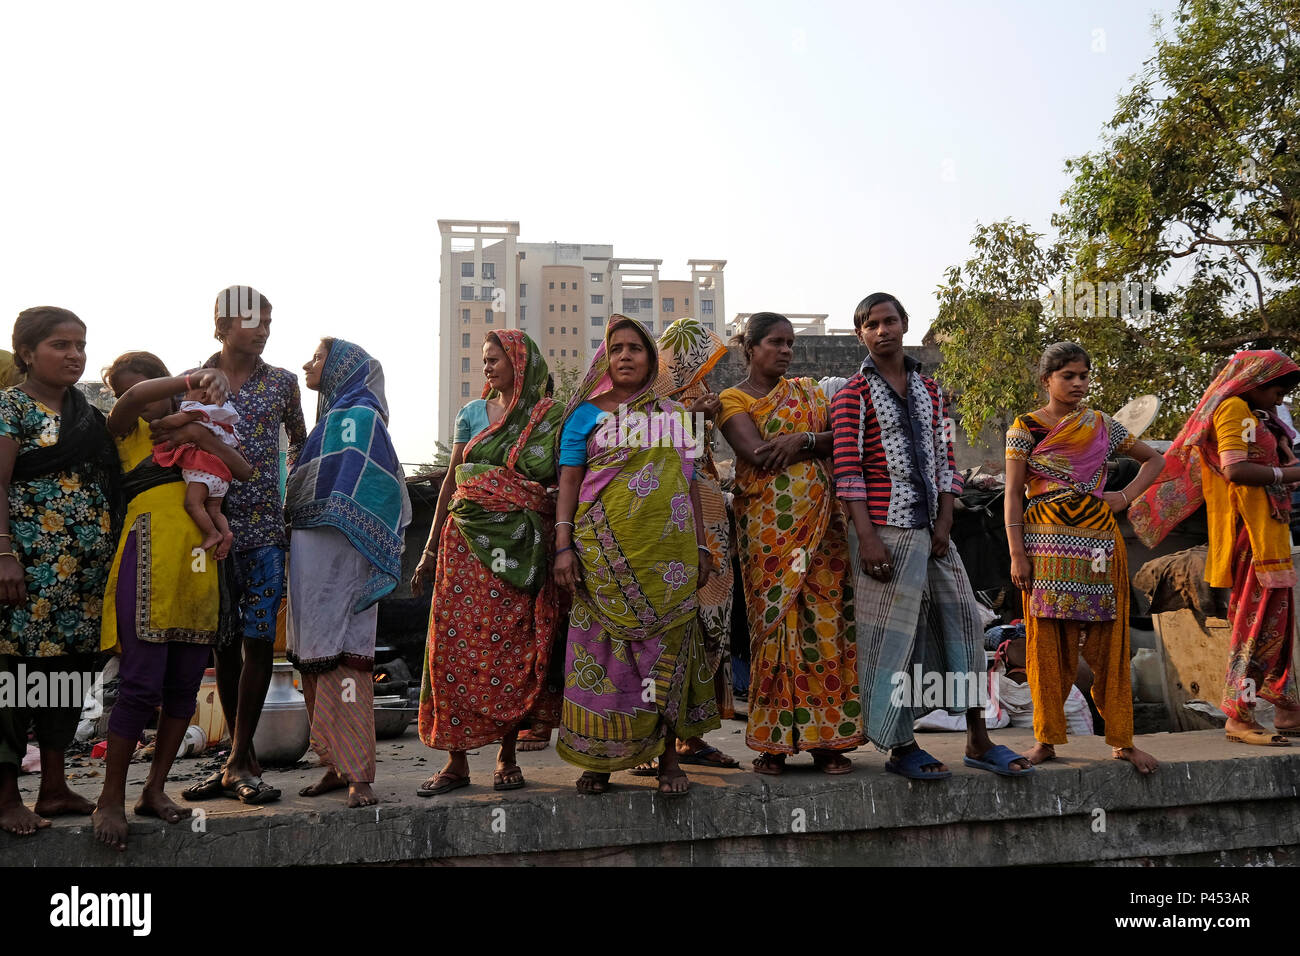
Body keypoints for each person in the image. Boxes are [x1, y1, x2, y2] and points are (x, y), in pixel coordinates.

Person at [831, 294, 1030, 780]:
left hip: (935, 533)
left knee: (962, 626)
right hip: (883, 531)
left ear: (905, 325)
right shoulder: (851, 395)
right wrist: (868, 538)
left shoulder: (932, 391)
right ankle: (901, 746)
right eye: (872, 324)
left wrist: (944, 523)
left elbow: (946, 461)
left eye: (890, 321)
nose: (883, 331)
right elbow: (848, 472)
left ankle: (978, 741)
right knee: (892, 643)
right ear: (860, 334)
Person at [553, 315, 720, 796]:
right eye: (616, 348)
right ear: (605, 359)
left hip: (668, 559)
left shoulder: (674, 416)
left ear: (651, 358)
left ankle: (669, 760)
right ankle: (598, 760)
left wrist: (703, 543)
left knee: (664, 653)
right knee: (602, 657)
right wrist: (563, 545)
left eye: (635, 348)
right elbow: (569, 482)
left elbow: (688, 485)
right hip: (599, 555)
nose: (625, 355)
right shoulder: (584, 415)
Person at [92, 354, 251, 850]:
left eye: (147, 385)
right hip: (149, 551)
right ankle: (109, 798)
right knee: (139, 684)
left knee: (184, 682)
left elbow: (241, 470)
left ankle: (153, 789)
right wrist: (193, 380)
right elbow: (134, 402)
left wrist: (202, 436)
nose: (139, 397)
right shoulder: (126, 433)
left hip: (198, 563)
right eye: (126, 390)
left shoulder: (199, 424)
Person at [413, 330, 562, 795]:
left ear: (521, 361)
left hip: (519, 550)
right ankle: (456, 763)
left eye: (496, 359)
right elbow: (453, 481)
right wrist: (430, 546)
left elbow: (561, 481)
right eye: (483, 360)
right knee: (452, 649)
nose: (487, 367)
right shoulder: (471, 414)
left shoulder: (550, 418)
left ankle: (506, 755)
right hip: (463, 545)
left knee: (512, 649)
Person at [1005, 342, 1164, 773]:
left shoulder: (1102, 426)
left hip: (1098, 542)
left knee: (1108, 643)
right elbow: (1013, 493)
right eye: (1068, 376)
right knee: (1047, 645)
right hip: (1046, 546)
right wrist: (1017, 553)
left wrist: (1123, 496)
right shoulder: (1026, 427)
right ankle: (1046, 739)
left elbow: (1154, 460)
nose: (1077, 383)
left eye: (1083, 376)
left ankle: (1123, 741)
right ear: (1047, 380)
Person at [1131, 349, 1300, 745]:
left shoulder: (1259, 417)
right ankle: (1239, 717)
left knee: (1278, 625)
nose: (1281, 398)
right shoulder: (1233, 411)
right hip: (1250, 537)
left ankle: (1287, 708)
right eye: (1278, 388)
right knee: (1254, 629)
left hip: (1270, 533)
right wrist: (1289, 472)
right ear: (1255, 382)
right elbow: (1235, 469)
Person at [719, 312, 863, 775]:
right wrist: (810, 444)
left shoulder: (809, 393)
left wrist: (801, 439)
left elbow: (845, 439)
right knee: (774, 629)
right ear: (751, 348)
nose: (785, 351)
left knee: (825, 627)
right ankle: (773, 745)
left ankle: (828, 742)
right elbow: (755, 453)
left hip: (824, 528)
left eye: (790, 343)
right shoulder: (732, 398)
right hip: (768, 531)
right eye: (775, 343)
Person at [182, 285, 307, 805]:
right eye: (253, 320)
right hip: (207, 527)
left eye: (269, 322)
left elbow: (301, 442)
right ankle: (240, 759)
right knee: (221, 644)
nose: (262, 330)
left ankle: (237, 758)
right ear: (222, 324)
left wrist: (295, 499)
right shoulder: (190, 379)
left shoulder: (282, 382)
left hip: (264, 530)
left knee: (259, 640)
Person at [0, 307, 121, 837]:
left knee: (68, 679)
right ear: (27, 353)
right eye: (59, 345)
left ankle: (53, 787)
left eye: (80, 344)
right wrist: (3, 553)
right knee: (14, 684)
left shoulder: (88, 412)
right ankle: (6, 799)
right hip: (26, 571)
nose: (74, 355)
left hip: (83, 577)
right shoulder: (11, 408)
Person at [286, 338, 411, 807]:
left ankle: (359, 773)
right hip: (310, 556)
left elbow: (378, 492)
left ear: (341, 367)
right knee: (313, 658)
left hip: (342, 557)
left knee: (347, 659)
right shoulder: (329, 421)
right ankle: (334, 766)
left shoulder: (360, 417)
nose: (307, 364)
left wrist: (343, 519)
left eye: (317, 357)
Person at [643, 315, 741, 769]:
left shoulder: (699, 403)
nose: (707, 371)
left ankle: (693, 735)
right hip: (668, 519)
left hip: (710, 520)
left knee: (711, 623)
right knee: (665, 627)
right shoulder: (648, 404)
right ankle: (650, 737)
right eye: (700, 360)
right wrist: (691, 415)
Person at [151, 383, 241, 558]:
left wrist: (159, 422)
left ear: (203, 396)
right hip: (221, 475)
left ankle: (213, 534)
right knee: (214, 510)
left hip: (204, 471)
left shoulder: (196, 411)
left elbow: (174, 421)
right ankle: (226, 532)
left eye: (186, 393)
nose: (184, 398)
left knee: (192, 504)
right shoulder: (219, 417)